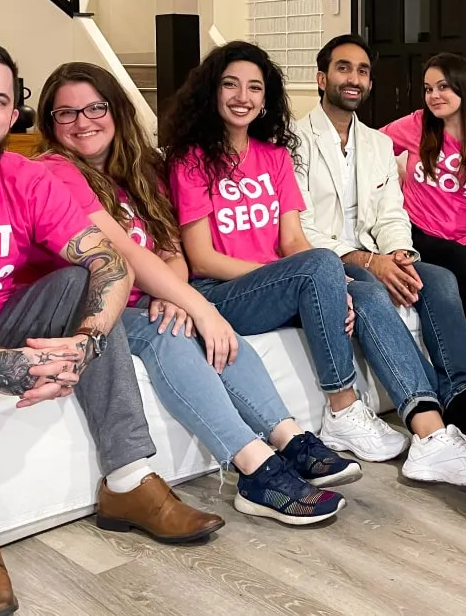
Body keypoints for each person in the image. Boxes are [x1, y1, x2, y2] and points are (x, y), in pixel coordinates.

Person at [0, 41, 222, 616]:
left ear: (12, 117)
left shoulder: (25, 177)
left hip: (2, 321)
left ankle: (129, 482)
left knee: (80, 283)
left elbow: (110, 265)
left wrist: (85, 343)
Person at [35, 62, 358, 526]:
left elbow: (169, 247)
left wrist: (173, 290)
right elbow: (122, 252)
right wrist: (195, 304)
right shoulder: (56, 171)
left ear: (115, 110)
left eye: (94, 107)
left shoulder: (140, 167)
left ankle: (288, 437)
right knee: (172, 331)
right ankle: (253, 468)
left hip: (144, 295)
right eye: (66, 114)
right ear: (49, 123)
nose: (83, 121)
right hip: (91, 305)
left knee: (201, 327)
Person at [169, 40, 466, 488]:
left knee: (368, 290)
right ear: (211, 91)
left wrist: (333, 280)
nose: (243, 96)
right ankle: (343, 406)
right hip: (223, 289)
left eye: (254, 88)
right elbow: (202, 258)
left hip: (288, 279)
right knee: (328, 265)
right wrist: (318, 270)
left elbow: (292, 239)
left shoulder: (274, 156)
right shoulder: (191, 161)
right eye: (230, 85)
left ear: (266, 99)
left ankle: (429, 432)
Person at [294, 34, 466, 475]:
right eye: (343, 68)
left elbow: (391, 212)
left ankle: (461, 392)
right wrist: (369, 263)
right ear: (321, 77)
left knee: (439, 277)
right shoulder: (293, 141)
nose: (353, 78)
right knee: (371, 291)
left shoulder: (378, 144)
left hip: (376, 251)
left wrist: (400, 254)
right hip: (324, 258)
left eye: (362, 71)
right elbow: (299, 228)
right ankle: (427, 428)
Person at [380, 53, 466, 357]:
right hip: (420, 229)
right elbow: (371, 146)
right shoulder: (417, 124)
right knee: (460, 263)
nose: (434, 95)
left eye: (443, 87)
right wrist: (396, 176)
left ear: (464, 87)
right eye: (428, 88)